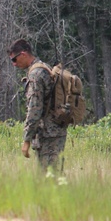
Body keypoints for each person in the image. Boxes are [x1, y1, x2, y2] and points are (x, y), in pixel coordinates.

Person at [8, 38, 67, 170]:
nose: (14, 64)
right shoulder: (43, 67)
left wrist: (26, 139)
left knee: (49, 176)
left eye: (14, 59)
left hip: (48, 134)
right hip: (55, 130)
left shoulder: (36, 74)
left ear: (23, 54)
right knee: (54, 173)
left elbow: (34, 109)